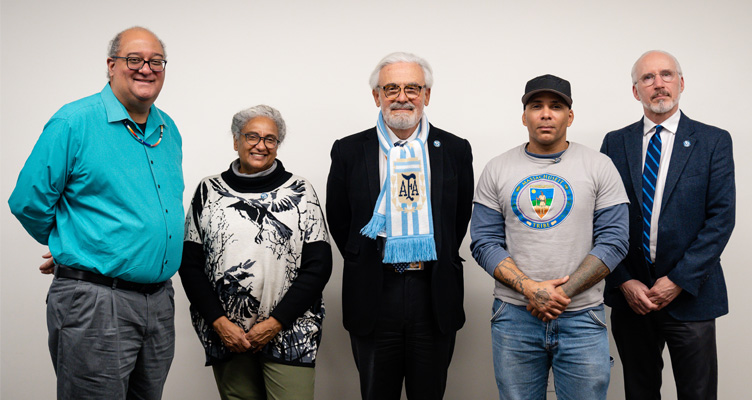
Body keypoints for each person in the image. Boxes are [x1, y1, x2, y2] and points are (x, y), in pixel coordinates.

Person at [8, 27, 182, 399]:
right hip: (98, 303)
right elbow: (27, 201)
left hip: (159, 302)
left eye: (155, 61)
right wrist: (72, 243)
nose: (146, 69)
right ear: (111, 65)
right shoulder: (74, 122)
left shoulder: (168, 129)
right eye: (134, 60)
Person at [470, 74, 630, 400]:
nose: (546, 114)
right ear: (524, 115)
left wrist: (559, 294)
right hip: (514, 317)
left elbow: (614, 240)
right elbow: (483, 241)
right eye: (536, 106)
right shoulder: (497, 168)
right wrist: (531, 289)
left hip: (582, 317)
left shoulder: (599, 166)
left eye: (556, 106)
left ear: (569, 116)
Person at [326, 52, 473, 400]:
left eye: (412, 88)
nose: (402, 97)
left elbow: (457, 219)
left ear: (427, 95)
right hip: (374, 293)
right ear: (376, 96)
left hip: (433, 292)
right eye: (391, 88)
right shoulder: (348, 150)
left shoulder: (453, 149)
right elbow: (340, 219)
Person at [600, 50, 735, 400]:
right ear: (636, 91)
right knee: (640, 392)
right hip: (633, 298)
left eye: (666, 75)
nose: (658, 84)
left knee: (698, 394)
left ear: (681, 83)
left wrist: (677, 280)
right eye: (647, 78)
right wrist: (624, 281)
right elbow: (601, 218)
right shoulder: (615, 143)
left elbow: (721, 219)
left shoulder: (713, 141)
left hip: (691, 295)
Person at [179, 105, 332, 400]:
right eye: (252, 136)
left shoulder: (301, 191)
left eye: (270, 139)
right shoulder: (207, 191)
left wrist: (275, 323)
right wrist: (219, 322)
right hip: (228, 335)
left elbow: (319, 266)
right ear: (236, 141)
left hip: (290, 331)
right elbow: (190, 265)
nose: (261, 145)